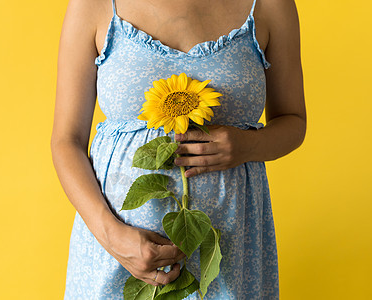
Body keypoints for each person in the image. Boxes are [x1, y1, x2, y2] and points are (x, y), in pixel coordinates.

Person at [52, 0, 305, 298]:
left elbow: (293, 121)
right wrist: (114, 238)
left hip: (230, 254)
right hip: (118, 252)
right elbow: (66, 140)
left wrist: (249, 145)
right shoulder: (93, 5)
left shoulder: (270, 5)